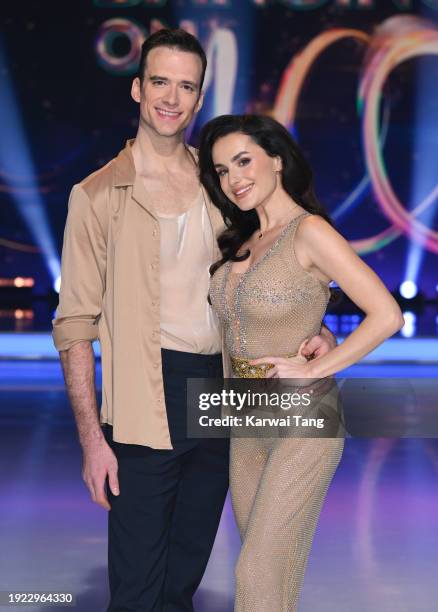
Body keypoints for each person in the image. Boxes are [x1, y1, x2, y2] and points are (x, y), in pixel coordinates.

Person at [53, 29, 335, 612]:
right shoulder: (98, 195)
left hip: (224, 392)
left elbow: (282, 255)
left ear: (199, 98)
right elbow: (75, 323)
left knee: (184, 577)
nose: (171, 98)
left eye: (186, 86)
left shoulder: (224, 185)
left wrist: (314, 326)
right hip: (144, 396)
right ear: (137, 88)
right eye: (160, 81)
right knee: (136, 587)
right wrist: (90, 440)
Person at [198, 114, 404, 611]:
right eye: (222, 171)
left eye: (243, 161)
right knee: (269, 569)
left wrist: (315, 369)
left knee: (256, 568)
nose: (233, 178)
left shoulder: (310, 232)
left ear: (276, 159)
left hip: (303, 419)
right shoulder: (239, 240)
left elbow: (387, 315)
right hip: (244, 420)